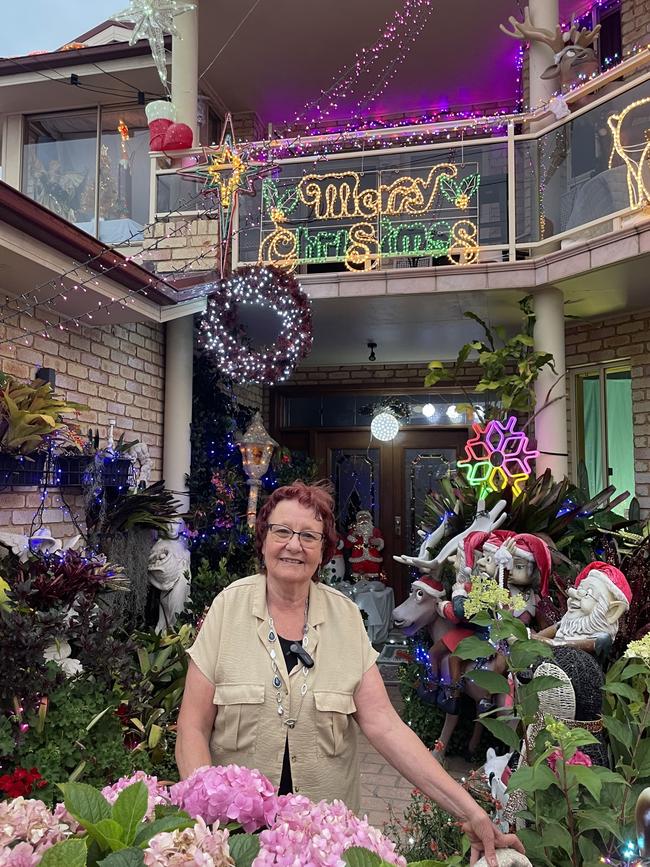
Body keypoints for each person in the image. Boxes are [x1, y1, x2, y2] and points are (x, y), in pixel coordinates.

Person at [176, 481, 524, 866]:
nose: (294, 545)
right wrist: (204, 822)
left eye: (309, 535)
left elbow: (386, 727)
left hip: (324, 844)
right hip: (235, 842)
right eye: (282, 531)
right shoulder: (228, 608)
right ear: (263, 539)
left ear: (324, 549)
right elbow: (192, 726)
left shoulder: (344, 617)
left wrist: (469, 811)